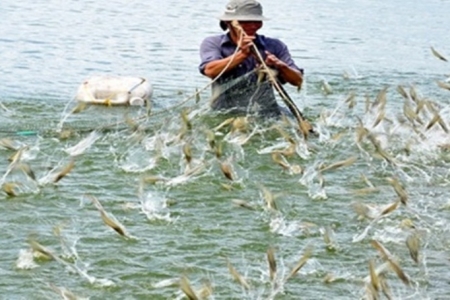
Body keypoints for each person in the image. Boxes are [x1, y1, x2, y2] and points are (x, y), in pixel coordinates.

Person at [199, 0, 303, 117]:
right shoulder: (213, 43)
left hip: (267, 112)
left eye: (257, 21)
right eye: (245, 21)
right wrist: (242, 54)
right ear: (229, 22)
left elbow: (297, 80)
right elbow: (210, 70)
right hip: (225, 112)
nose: (252, 25)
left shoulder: (275, 45)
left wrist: (280, 66)